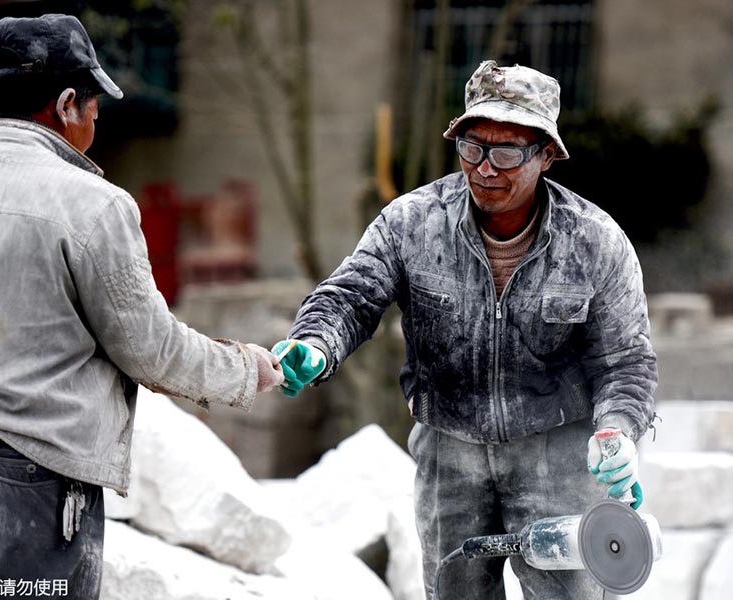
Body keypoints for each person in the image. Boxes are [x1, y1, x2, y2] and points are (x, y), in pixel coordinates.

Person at [0, 13, 283, 600]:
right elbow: (151, 351)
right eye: (94, 109)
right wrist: (247, 369)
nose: (95, 123)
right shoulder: (94, 205)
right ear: (67, 103)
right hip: (35, 482)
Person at [272, 60, 657, 599]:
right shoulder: (413, 223)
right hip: (448, 458)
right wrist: (315, 343)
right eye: (472, 148)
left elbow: (625, 361)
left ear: (547, 154)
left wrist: (617, 430)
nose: (485, 169)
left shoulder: (595, 241)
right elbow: (351, 295)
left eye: (506, 153)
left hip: (558, 458)